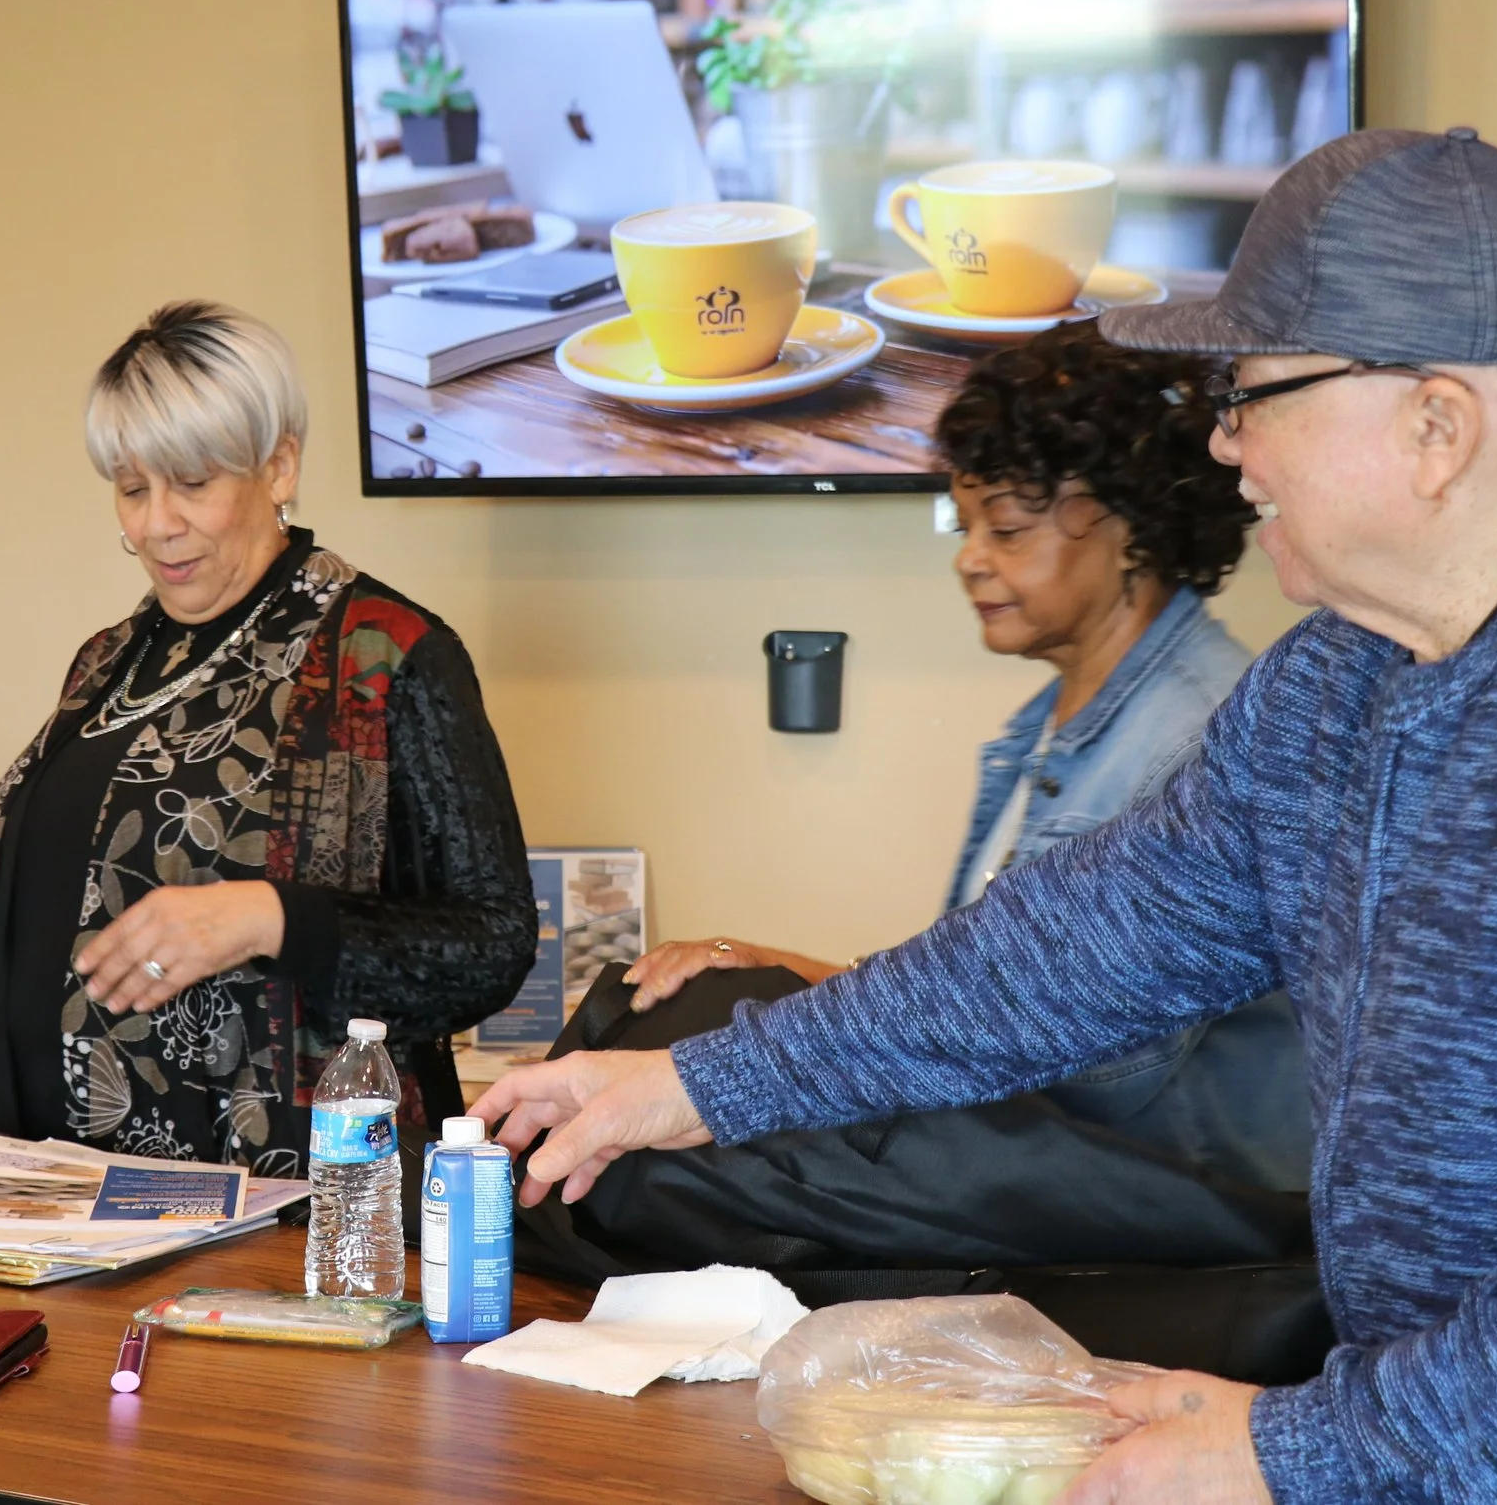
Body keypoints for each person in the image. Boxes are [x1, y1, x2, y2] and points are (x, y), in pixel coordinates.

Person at [477, 128, 1497, 1502]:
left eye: (1252, 393)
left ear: (1434, 426)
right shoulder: (1334, 685)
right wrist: (689, 1084)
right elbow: (1066, 950)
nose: (1225, 444)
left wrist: (1293, 1448)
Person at [559, 322, 1305, 1275]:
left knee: (669, 1147)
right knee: (675, 1023)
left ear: (1132, 528)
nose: (971, 559)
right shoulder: (1045, 729)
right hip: (1060, 1145)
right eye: (967, 526)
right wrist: (773, 970)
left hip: (1176, 1199)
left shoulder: (1196, 734)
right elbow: (991, 995)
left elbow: (1076, 1055)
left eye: (1008, 529)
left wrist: (776, 1016)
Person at [0, 300, 538, 1172]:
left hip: (278, 1195)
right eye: (132, 487)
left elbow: (491, 946)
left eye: (191, 482)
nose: (156, 523)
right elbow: (100, 925)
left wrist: (270, 917)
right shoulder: (107, 661)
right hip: (53, 1184)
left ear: (279, 466)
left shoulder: (382, 653)